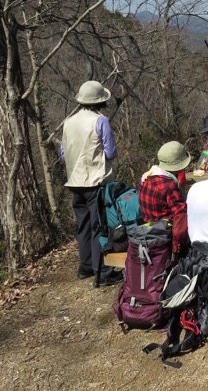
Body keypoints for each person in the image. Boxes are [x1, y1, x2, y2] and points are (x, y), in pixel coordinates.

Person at [61, 80, 124, 287]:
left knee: (83, 225)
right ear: (100, 101)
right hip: (95, 181)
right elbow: (111, 152)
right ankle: (103, 273)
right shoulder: (101, 120)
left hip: (74, 180)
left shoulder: (68, 122)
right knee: (99, 226)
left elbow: (63, 154)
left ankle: (85, 267)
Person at [138, 141, 191, 256]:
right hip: (166, 237)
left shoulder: (146, 178)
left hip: (149, 233)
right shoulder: (168, 185)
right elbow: (181, 216)